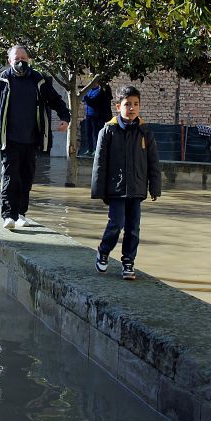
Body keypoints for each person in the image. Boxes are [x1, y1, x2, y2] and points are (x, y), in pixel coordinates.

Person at [0, 45, 71, 229]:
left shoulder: (39, 80)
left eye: (24, 58)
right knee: (11, 177)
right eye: (17, 58)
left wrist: (65, 118)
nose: (21, 61)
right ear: (9, 61)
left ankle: (21, 214)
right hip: (8, 138)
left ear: (29, 60)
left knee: (26, 178)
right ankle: (8, 215)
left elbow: (56, 100)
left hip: (32, 139)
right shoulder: (1, 80)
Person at [90, 85, 161, 280]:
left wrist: (154, 187)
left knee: (133, 227)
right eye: (127, 104)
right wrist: (99, 190)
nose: (132, 108)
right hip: (116, 188)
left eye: (136, 104)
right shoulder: (108, 131)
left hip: (137, 188)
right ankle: (103, 251)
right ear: (117, 106)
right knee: (116, 223)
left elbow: (153, 162)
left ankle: (128, 261)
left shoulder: (145, 132)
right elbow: (100, 163)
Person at [81, 82, 113, 156]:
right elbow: (84, 99)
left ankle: (96, 149)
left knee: (96, 133)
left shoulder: (99, 92)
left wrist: (86, 98)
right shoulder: (89, 90)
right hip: (88, 115)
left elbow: (93, 102)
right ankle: (90, 149)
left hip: (95, 116)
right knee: (88, 133)